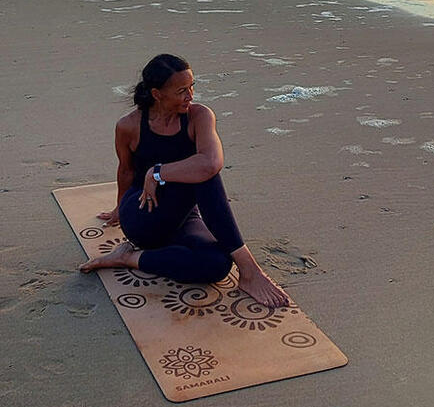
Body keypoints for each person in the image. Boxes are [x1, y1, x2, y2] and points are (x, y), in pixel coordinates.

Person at [80, 53, 289, 309]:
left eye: (192, 87)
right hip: (144, 215)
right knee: (204, 174)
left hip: (184, 218)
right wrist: (119, 209)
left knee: (218, 264)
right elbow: (125, 171)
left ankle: (129, 258)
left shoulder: (199, 116)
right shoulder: (129, 126)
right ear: (157, 94)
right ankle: (249, 269)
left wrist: (157, 172)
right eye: (181, 91)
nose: (190, 96)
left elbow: (212, 161)